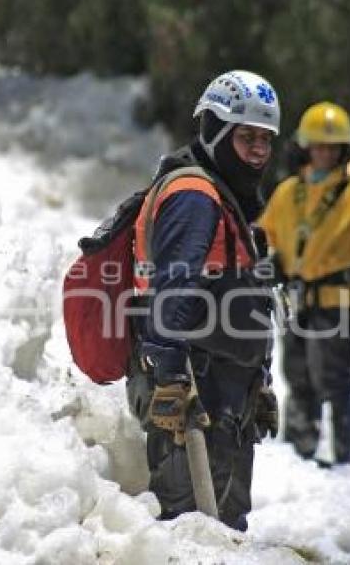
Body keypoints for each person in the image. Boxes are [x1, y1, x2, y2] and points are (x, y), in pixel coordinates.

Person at [126, 70, 281, 531]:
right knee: (192, 535)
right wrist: (170, 378)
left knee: (223, 534)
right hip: (193, 402)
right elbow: (174, 286)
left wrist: (260, 380)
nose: (258, 150)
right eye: (246, 136)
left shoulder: (225, 197)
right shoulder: (194, 195)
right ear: (215, 130)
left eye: (265, 139)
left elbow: (234, 294)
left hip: (226, 399)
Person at [258, 101, 350, 465]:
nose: (324, 154)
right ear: (306, 147)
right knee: (297, 375)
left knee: (333, 380)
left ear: (343, 150)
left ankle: (342, 457)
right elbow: (264, 234)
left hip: (335, 299)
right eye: (318, 146)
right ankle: (300, 456)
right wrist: (269, 259)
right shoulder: (289, 191)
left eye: (332, 148)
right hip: (295, 298)